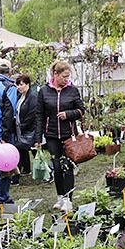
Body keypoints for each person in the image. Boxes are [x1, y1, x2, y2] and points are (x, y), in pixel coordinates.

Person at [34, 60, 86, 213]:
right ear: (54, 74)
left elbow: (81, 110)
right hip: (51, 135)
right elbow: (39, 115)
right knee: (56, 166)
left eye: (68, 76)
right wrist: (38, 138)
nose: (66, 79)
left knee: (67, 166)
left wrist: (68, 114)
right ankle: (60, 197)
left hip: (68, 135)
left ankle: (69, 200)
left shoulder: (72, 90)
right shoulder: (44, 91)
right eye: (64, 76)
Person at [9, 73, 38, 178]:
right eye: (18, 85)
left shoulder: (32, 97)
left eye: (21, 84)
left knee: (35, 151)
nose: (19, 87)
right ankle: (26, 169)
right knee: (22, 149)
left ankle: (46, 172)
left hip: (30, 129)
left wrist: (23, 125)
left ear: (28, 84)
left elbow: (32, 114)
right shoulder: (20, 96)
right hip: (21, 128)